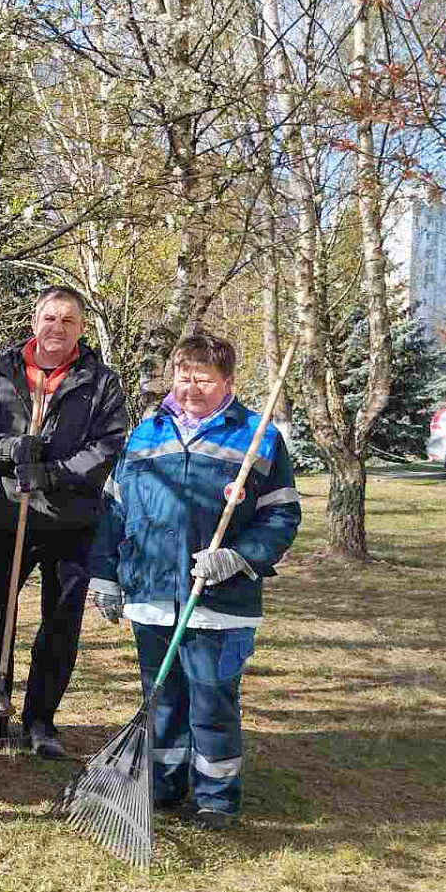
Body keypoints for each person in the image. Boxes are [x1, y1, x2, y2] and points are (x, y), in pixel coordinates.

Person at [87, 334, 299, 829]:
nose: (191, 386)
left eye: (204, 377)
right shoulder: (144, 434)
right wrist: (106, 575)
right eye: (184, 375)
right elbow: (114, 510)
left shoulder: (257, 435)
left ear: (227, 381)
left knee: (211, 700)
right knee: (160, 700)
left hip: (219, 600)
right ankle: (161, 784)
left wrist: (238, 556)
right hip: (152, 594)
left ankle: (216, 797)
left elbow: (282, 516)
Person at [0, 285, 127, 758]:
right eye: (50, 318)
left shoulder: (100, 382)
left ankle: (40, 719)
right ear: (34, 321)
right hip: (8, 518)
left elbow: (107, 448)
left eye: (68, 321)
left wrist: (52, 473)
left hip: (70, 523)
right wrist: (10, 450)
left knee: (59, 624)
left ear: (81, 329)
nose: (57, 328)